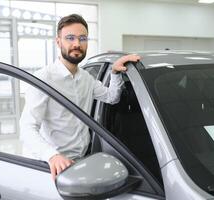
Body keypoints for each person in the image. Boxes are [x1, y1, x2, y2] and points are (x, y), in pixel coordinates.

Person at [19, 14, 140, 180]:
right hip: (51, 166)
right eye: (70, 38)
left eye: (82, 38)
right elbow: (27, 128)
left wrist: (115, 72)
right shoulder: (43, 79)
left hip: (81, 162)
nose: (77, 44)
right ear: (58, 41)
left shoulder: (86, 78)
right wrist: (52, 156)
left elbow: (112, 97)